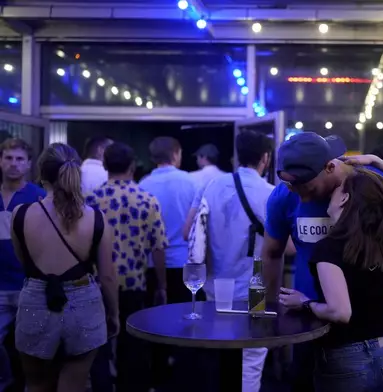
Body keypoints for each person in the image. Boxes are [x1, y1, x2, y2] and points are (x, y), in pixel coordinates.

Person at [262, 132, 383, 391]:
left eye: (307, 187)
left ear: (329, 167)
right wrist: (267, 311)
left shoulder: (378, 187)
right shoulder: (284, 196)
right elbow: (270, 253)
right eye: (291, 186)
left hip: (369, 330)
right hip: (306, 327)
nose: (301, 196)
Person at [10, 143, 119, 392]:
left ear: (41, 172)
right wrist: (113, 314)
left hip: (36, 299)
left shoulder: (20, 214)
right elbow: (108, 276)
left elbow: (23, 260)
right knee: (74, 383)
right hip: (84, 302)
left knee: (36, 383)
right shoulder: (96, 218)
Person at [191, 131, 274, 392]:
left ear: (237, 155)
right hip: (254, 290)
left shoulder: (212, 185)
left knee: (220, 358)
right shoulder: (271, 194)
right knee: (251, 360)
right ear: (266, 158)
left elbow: (190, 232)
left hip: (216, 288)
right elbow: (286, 246)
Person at [86, 142, 169, 392]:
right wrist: (162, 285)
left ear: (104, 165)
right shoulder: (147, 199)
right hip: (134, 283)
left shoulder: (91, 200)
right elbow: (158, 247)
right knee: (133, 350)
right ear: (133, 166)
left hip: (97, 283)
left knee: (98, 349)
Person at [0, 138, 46, 390]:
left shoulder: (38, 197)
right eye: (8, 158)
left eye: (19, 159)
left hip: (27, 284)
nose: (13, 164)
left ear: (29, 165)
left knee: (30, 346)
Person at [139, 136, 195, 304]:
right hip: (183, 261)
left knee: (154, 323)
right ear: (176, 154)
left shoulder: (143, 185)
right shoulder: (190, 182)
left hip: (152, 265)